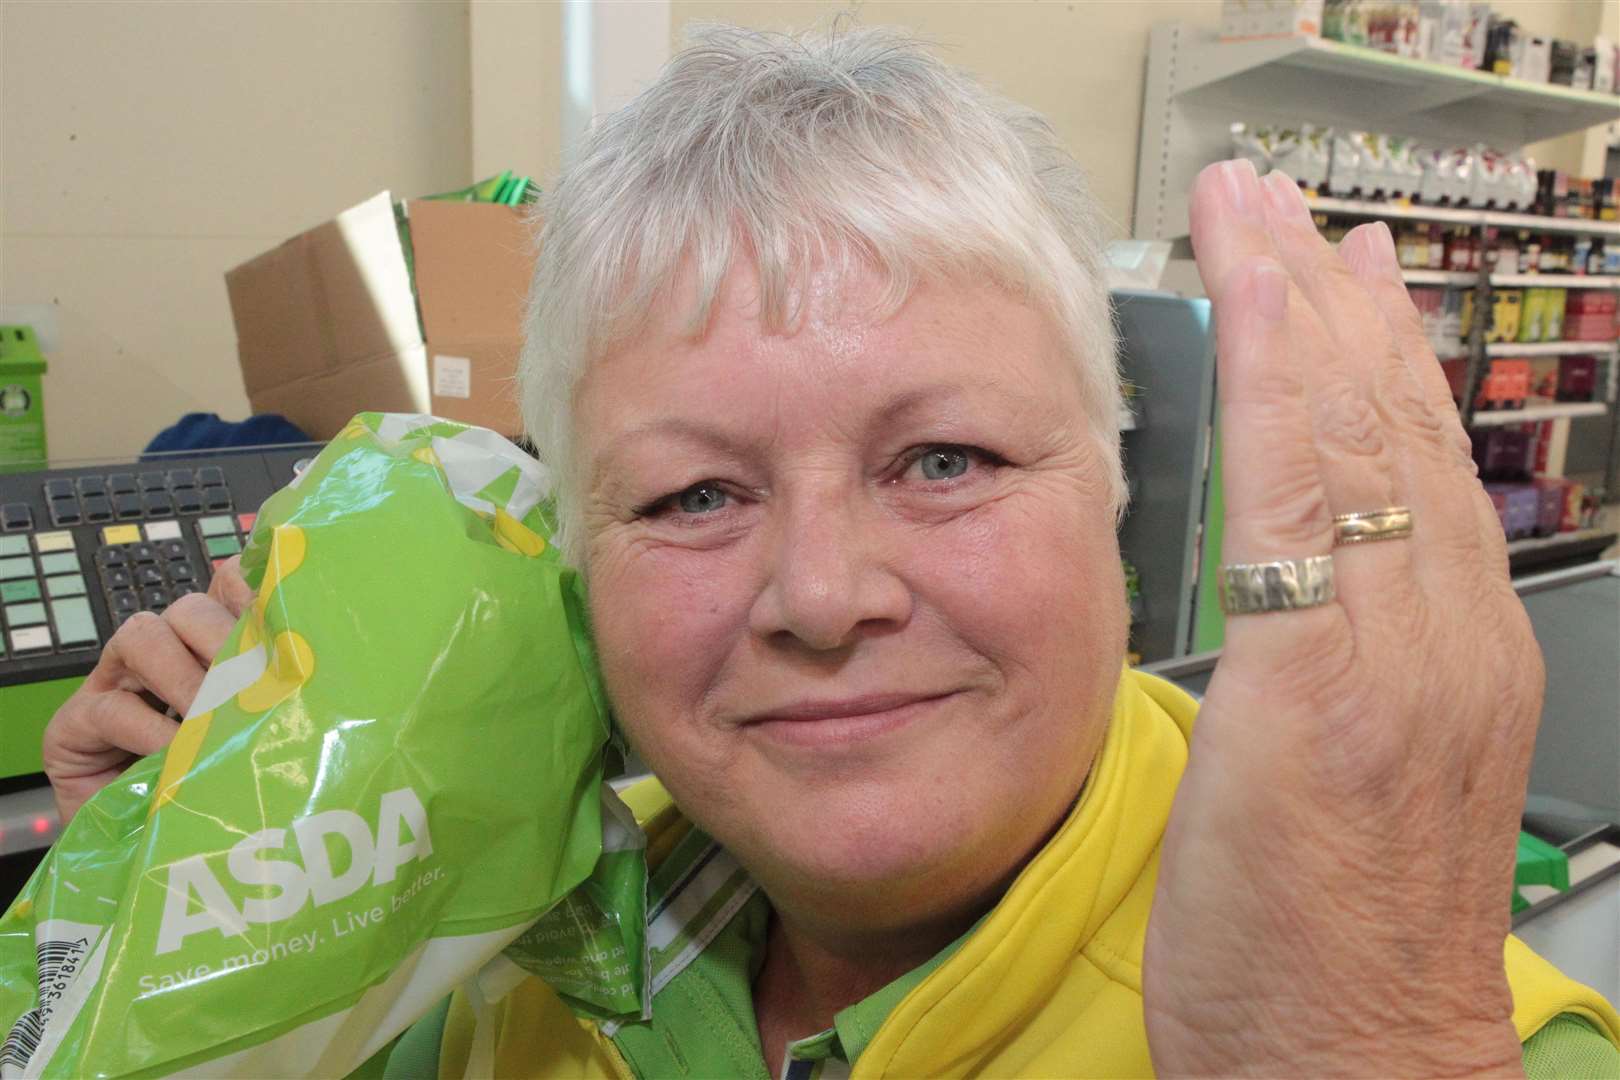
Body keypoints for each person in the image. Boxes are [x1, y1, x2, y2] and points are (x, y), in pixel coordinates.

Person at [43, 24, 1619, 1078]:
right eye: (693, 498)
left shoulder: (1449, 1036)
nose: (818, 596)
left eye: (945, 460)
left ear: (1116, 509)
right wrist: (168, 950)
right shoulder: (496, 928)